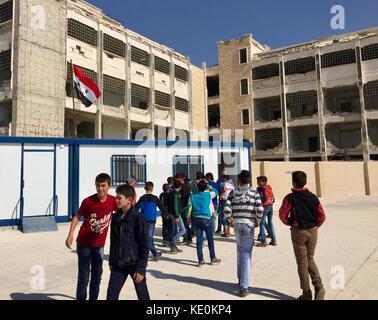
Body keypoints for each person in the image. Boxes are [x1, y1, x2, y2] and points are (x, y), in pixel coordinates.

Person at [65, 173, 117, 300]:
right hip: (83, 244)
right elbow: (77, 216)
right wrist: (70, 234)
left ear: (109, 186)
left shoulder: (112, 201)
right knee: (84, 276)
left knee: (97, 275)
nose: (100, 188)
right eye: (98, 185)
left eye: (103, 185)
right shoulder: (88, 201)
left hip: (99, 245)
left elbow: (124, 210)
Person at [279, 171, 326, 300]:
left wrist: (290, 223)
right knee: (309, 258)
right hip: (313, 231)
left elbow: (282, 215)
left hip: (298, 232)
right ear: (305, 182)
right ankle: (319, 287)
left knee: (302, 263)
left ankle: (306, 294)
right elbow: (322, 216)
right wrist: (315, 226)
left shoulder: (290, 198)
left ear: (293, 182)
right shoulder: (313, 197)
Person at [224, 170, 264, 297]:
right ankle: (244, 287)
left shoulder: (233, 192)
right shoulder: (254, 193)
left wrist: (230, 220)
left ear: (239, 180)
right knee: (246, 254)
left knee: (239, 251)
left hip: (236, 224)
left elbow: (226, 209)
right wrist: (257, 219)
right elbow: (260, 209)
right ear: (249, 180)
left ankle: (240, 279)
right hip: (249, 224)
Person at [106, 184, 150, 300]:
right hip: (118, 264)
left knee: (143, 295)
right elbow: (113, 241)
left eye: (119, 198)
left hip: (134, 264)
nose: (116, 200)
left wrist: (141, 268)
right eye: (116, 197)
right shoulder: (115, 218)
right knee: (111, 294)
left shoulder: (138, 217)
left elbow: (145, 245)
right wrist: (111, 260)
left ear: (129, 200)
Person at [187, 180, 221, 267]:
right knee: (210, 239)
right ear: (205, 187)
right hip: (206, 218)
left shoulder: (192, 196)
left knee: (199, 240)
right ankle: (213, 258)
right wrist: (209, 186)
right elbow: (216, 192)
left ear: (197, 187)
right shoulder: (208, 194)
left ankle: (201, 260)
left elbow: (189, 207)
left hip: (196, 218)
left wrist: (188, 219)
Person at [136, 181, 168, 261]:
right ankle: (154, 253)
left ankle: (153, 254)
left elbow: (136, 208)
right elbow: (161, 206)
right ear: (152, 189)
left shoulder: (142, 198)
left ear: (144, 188)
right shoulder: (155, 198)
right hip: (151, 220)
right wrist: (166, 214)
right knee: (148, 238)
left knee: (148, 238)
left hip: (143, 219)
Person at [256, 176, 277, 247]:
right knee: (270, 223)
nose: (257, 183)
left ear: (263, 182)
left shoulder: (260, 189)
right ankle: (273, 240)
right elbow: (273, 199)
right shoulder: (269, 187)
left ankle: (263, 241)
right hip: (270, 206)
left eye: (258, 181)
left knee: (261, 223)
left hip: (264, 206)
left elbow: (262, 198)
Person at [167, 178, 186, 254]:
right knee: (183, 230)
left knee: (176, 230)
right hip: (175, 214)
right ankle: (172, 242)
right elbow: (175, 205)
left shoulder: (171, 192)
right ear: (180, 186)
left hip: (172, 214)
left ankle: (174, 246)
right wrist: (177, 216)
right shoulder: (175, 194)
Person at [219, 172, 235, 237]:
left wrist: (220, 195)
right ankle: (228, 231)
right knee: (229, 215)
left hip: (224, 200)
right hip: (230, 200)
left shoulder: (223, 184)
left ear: (224, 177)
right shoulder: (231, 185)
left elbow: (221, 191)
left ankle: (225, 231)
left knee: (223, 215)